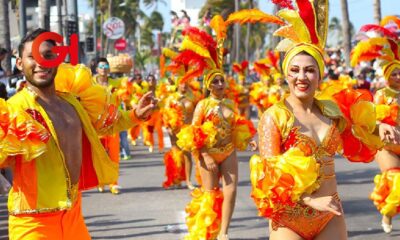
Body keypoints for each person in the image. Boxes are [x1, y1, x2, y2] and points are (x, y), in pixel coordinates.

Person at [247, 2, 399, 240]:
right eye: (294, 70)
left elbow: (360, 129)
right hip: (289, 218)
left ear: (319, 74)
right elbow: (269, 176)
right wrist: (310, 200)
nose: (301, 77)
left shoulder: (331, 110)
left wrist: (383, 127)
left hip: (330, 216)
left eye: (309, 70)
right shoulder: (274, 117)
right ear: (286, 74)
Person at [0, 28, 155, 239]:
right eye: (32, 57)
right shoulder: (13, 110)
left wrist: (135, 115)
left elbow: (101, 127)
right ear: (19, 63)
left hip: (73, 216)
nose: (41, 63)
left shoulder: (72, 101)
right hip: (33, 223)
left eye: (48, 56)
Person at [173, 20, 256, 239]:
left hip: (228, 150)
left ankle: (223, 232)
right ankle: (206, 233)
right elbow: (192, 133)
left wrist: (250, 140)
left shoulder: (230, 104)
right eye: (216, 81)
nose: (220, 84)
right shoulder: (202, 105)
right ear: (209, 85)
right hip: (207, 154)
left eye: (222, 81)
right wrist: (205, 155)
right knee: (210, 195)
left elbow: (237, 126)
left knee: (231, 191)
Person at [351, 17, 400, 233]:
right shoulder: (380, 94)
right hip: (387, 145)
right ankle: (387, 214)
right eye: (394, 74)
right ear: (387, 76)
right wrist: (381, 122)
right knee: (395, 178)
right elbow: (372, 119)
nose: (398, 77)